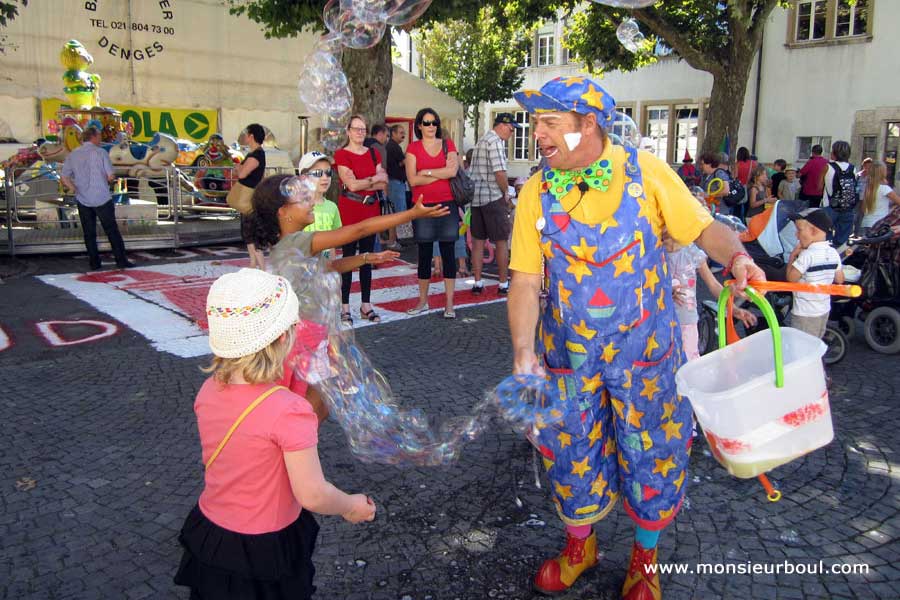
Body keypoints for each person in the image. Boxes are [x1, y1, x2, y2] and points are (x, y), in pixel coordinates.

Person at [508, 76, 765, 598]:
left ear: (588, 125)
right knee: (571, 450)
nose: (538, 133)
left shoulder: (646, 172)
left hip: (646, 354)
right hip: (568, 358)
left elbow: (703, 229)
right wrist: (523, 349)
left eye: (550, 122)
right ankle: (580, 546)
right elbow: (525, 280)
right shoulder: (537, 191)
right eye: (536, 123)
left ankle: (644, 557)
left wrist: (738, 256)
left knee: (653, 452)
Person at [173, 268, 377, 600]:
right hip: (265, 546)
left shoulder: (209, 388)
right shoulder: (289, 409)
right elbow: (313, 494)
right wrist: (350, 505)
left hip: (213, 535)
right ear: (284, 339)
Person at [404, 107, 460, 319]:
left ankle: (449, 304)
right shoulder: (413, 148)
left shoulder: (448, 144)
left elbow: (452, 171)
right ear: (419, 126)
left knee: (448, 253)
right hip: (422, 205)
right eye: (426, 123)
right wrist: (441, 173)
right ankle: (422, 301)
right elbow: (412, 180)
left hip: (447, 203)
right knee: (424, 253)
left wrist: (427, 172)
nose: (431, 126)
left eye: (434, 122)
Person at [335, 115, 390, 325]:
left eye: (363, 129)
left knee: (368, 257)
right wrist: (372, 180)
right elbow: (351, 185)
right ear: (348, 131)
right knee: (348, 257)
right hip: (350, 208)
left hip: (370, 208)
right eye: (356, 129)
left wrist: (365, 182)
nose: (360, 132)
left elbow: (383, 182)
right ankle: (345, 306)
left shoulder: (374, 153)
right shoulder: (342, 154)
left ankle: (366, 305)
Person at [665, 235, 756, 361]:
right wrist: (665, 290)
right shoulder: (654, 253)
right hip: (660, 321)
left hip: (687, 321)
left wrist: (734, 309)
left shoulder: (691, 251)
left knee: (688, 361)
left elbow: (713, 284)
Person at [60, 125, 134, 270]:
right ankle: (121, 260)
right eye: (99, 135)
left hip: (83, 198)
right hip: (102, 197)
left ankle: (94, 262)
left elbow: (64, 176)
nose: (101, 138)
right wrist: (109, 180)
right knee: (111, 230)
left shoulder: (73, 154)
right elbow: (110, 176)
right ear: (93, 137)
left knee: (89, 232)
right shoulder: (101, 153)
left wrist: (74, 188)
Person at [469, 112, 518, 295]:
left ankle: (477, 282)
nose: (512, 133)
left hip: (476, 198)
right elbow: (500, 173)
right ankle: (503, 284)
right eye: (511, 129)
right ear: (503, 126)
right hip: (493, 197)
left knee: (478, 242)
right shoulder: (496, 142)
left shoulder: (482, 140)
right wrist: (507, 192)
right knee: (501, 241)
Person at [786, 209, 843, 339]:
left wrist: (792, 256)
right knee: (816, 342)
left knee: (803, 346)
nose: (796, 235)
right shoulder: (833, 253)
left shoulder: (807, 255)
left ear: (813, 231)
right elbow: (840, 279)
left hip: (805, 312)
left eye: (799, 230)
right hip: (824, 309)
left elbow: (791, 278)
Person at [298, 151, 342, 257]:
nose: (325, 177)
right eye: (318, 173)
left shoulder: (332, 207)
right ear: (304, 177)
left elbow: (332, 243)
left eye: (328, 172)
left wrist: (332, 264)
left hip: (324, 265)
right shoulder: (296, 207)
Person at [822, 140, 859, 246]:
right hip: (847, 207)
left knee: (825, 239)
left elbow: (819, 186)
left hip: (829, 206)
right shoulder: (853, 168)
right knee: (842, 240)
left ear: (834, 153)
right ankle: (839, 253)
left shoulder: (828, 167)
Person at [384, 124, 408, 249]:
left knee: (394, 212)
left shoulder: (391, 146)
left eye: (404, 132)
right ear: (393, 133)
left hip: (395, 182)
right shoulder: (394, 147)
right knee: (396, 213)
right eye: (401, 132)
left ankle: (394, 239)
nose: (403, 135)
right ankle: (393, 240)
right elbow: (405, 161)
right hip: (395, 183)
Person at [858, 160, 900, 232]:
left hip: (866, 222)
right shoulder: (885, 189)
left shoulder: (869, 187)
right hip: (879, 223)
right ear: (883, 172)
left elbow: (863, 208)